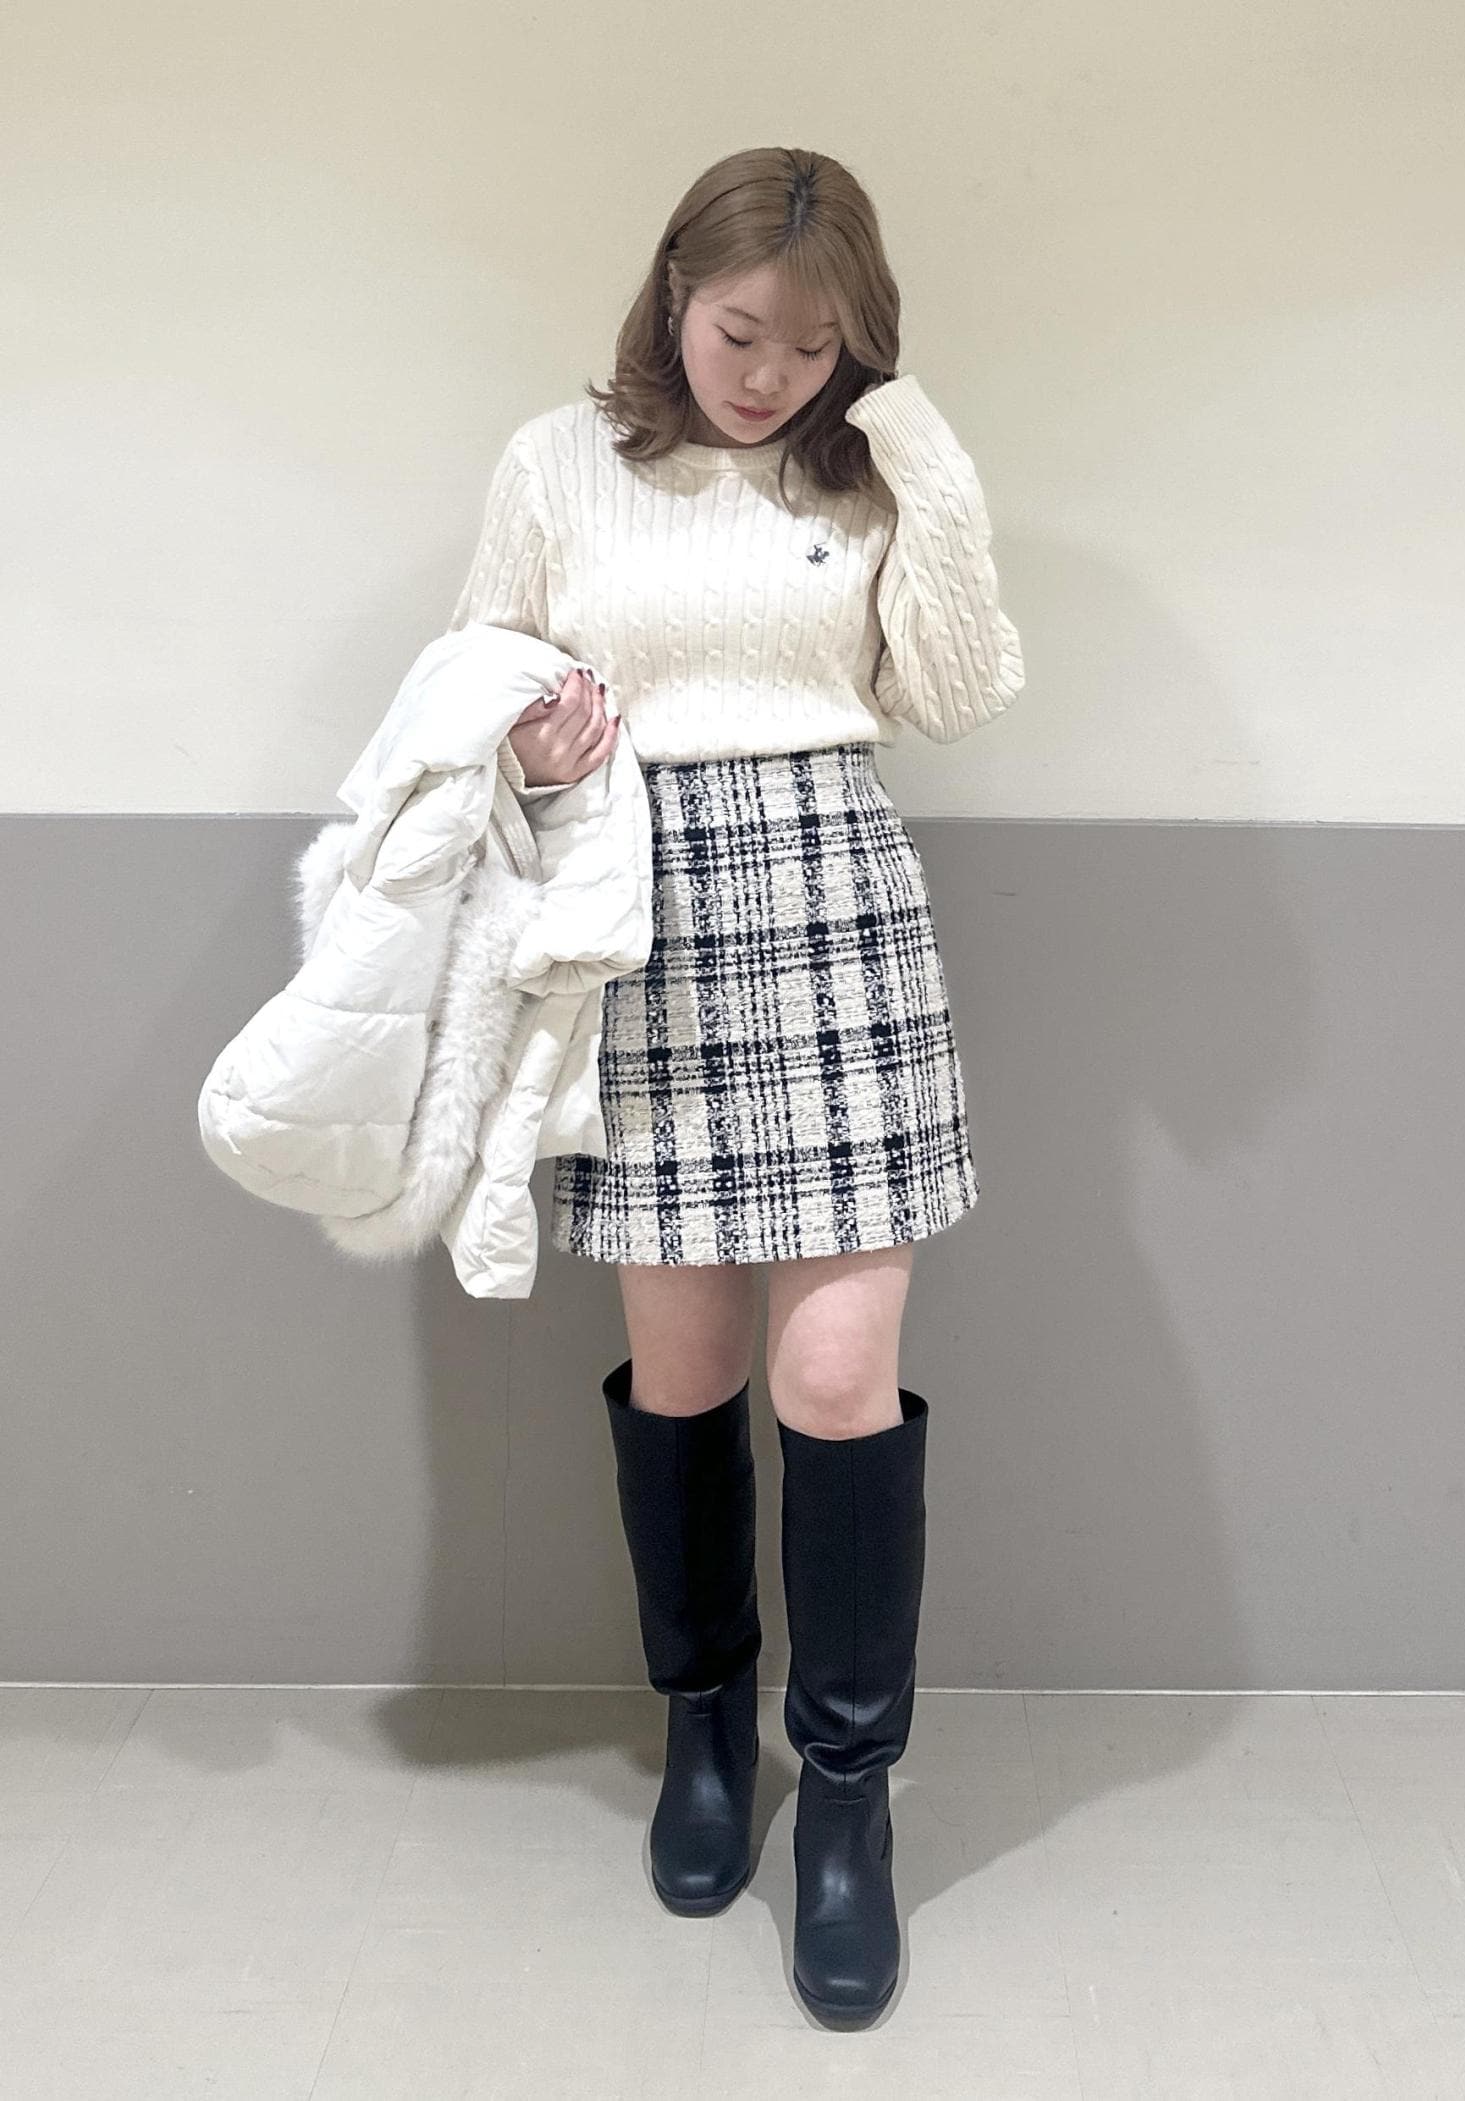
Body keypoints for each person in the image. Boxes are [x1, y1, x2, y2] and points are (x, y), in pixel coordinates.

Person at [447, 145, 1025, 2028]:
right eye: (739, 331)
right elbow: (467, 693)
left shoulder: (864, 472)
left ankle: (847, 1797)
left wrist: (917, 447)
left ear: (862, 344)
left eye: (816, 344)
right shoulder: (559, 463)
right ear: (673, 296)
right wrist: (533, 747)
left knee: (836, 1380)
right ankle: (704, 1731)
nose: (770, 375)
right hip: (639, 927)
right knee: (684, 1372)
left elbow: (955, 688)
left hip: (838, 913)